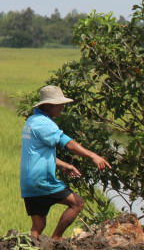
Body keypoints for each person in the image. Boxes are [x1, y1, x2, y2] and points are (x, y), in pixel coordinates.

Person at [20, 85, 111, 239]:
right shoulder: (44, 124)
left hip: (28, 182)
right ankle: (56, 240)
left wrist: (64, 165)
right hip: (42, 181)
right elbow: (68, 144)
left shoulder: (31, 121)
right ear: (47, 106)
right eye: (58, 104)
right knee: (77, 203)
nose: (62, 107)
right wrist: (93, 156)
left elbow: (38, 154)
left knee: (38, 225)